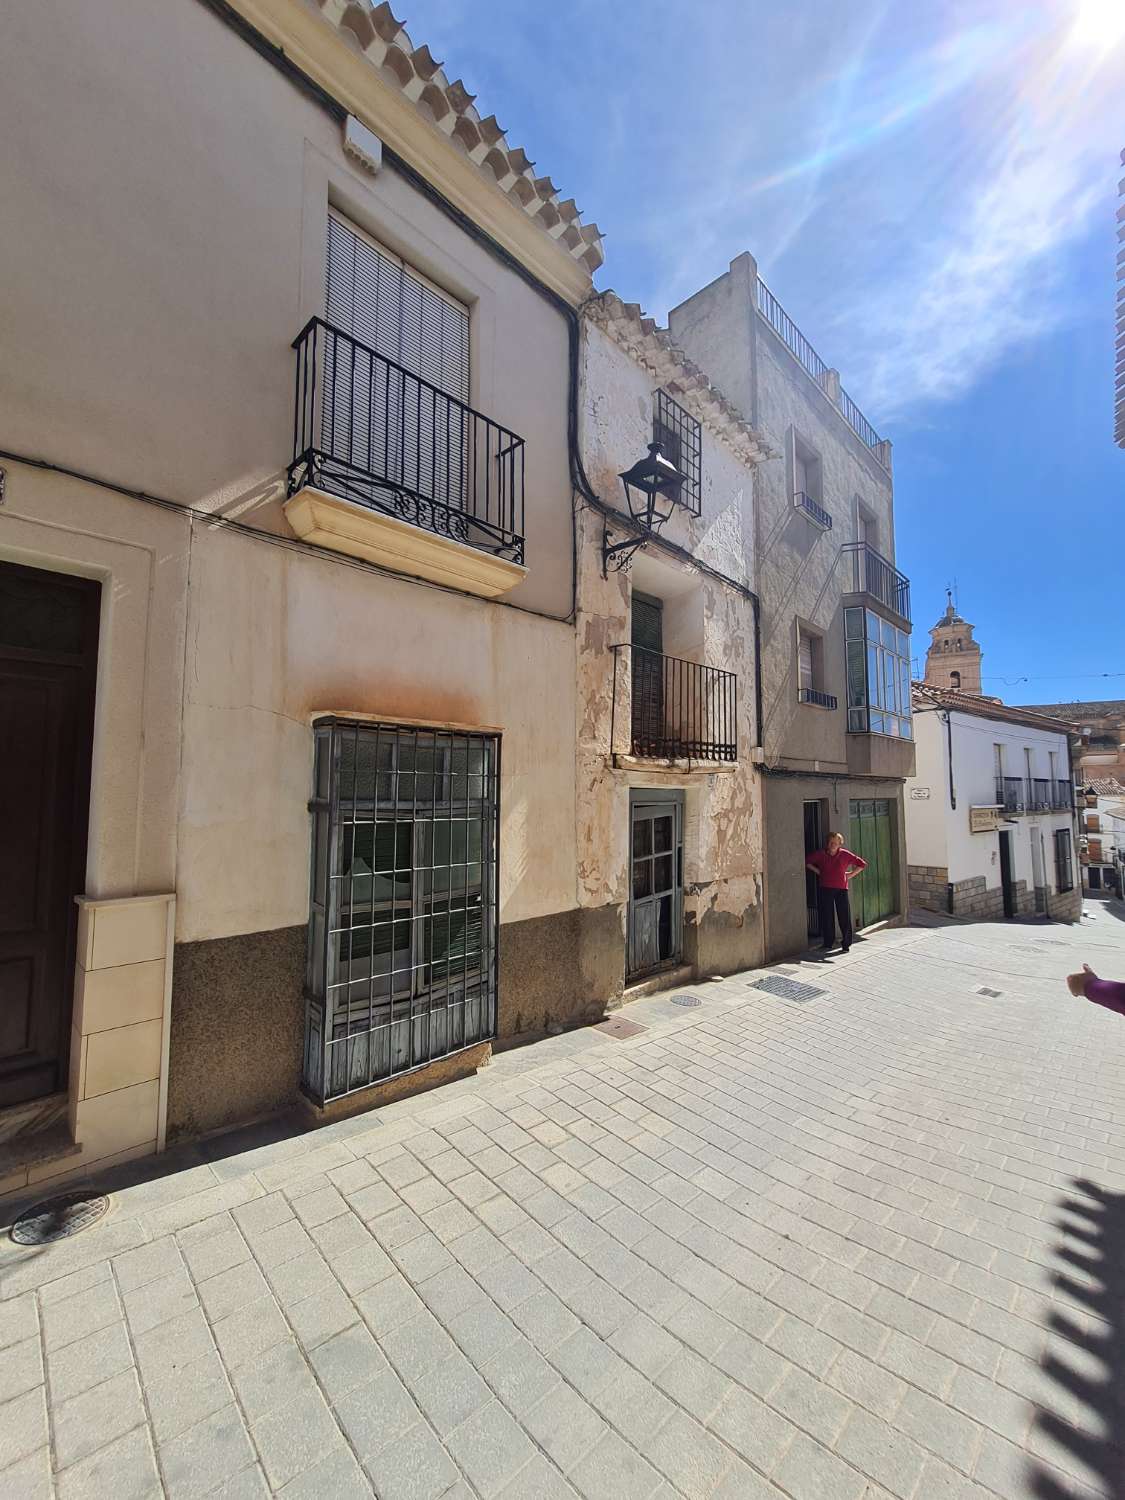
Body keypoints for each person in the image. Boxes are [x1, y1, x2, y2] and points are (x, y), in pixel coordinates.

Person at [806, 832, 867, 953]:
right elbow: (807, 861)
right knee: (827, 916)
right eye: (831, 842)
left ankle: (846, 944)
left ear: (840, 844)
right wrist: (819, 872)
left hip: (841, 889)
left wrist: (850, 875)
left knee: (844, 916)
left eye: (836, 843)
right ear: (827, 843)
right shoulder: (821, 854)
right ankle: (828, 943)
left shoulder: (845, 854)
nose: (833, 844)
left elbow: (862, 864)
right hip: (825, 888)